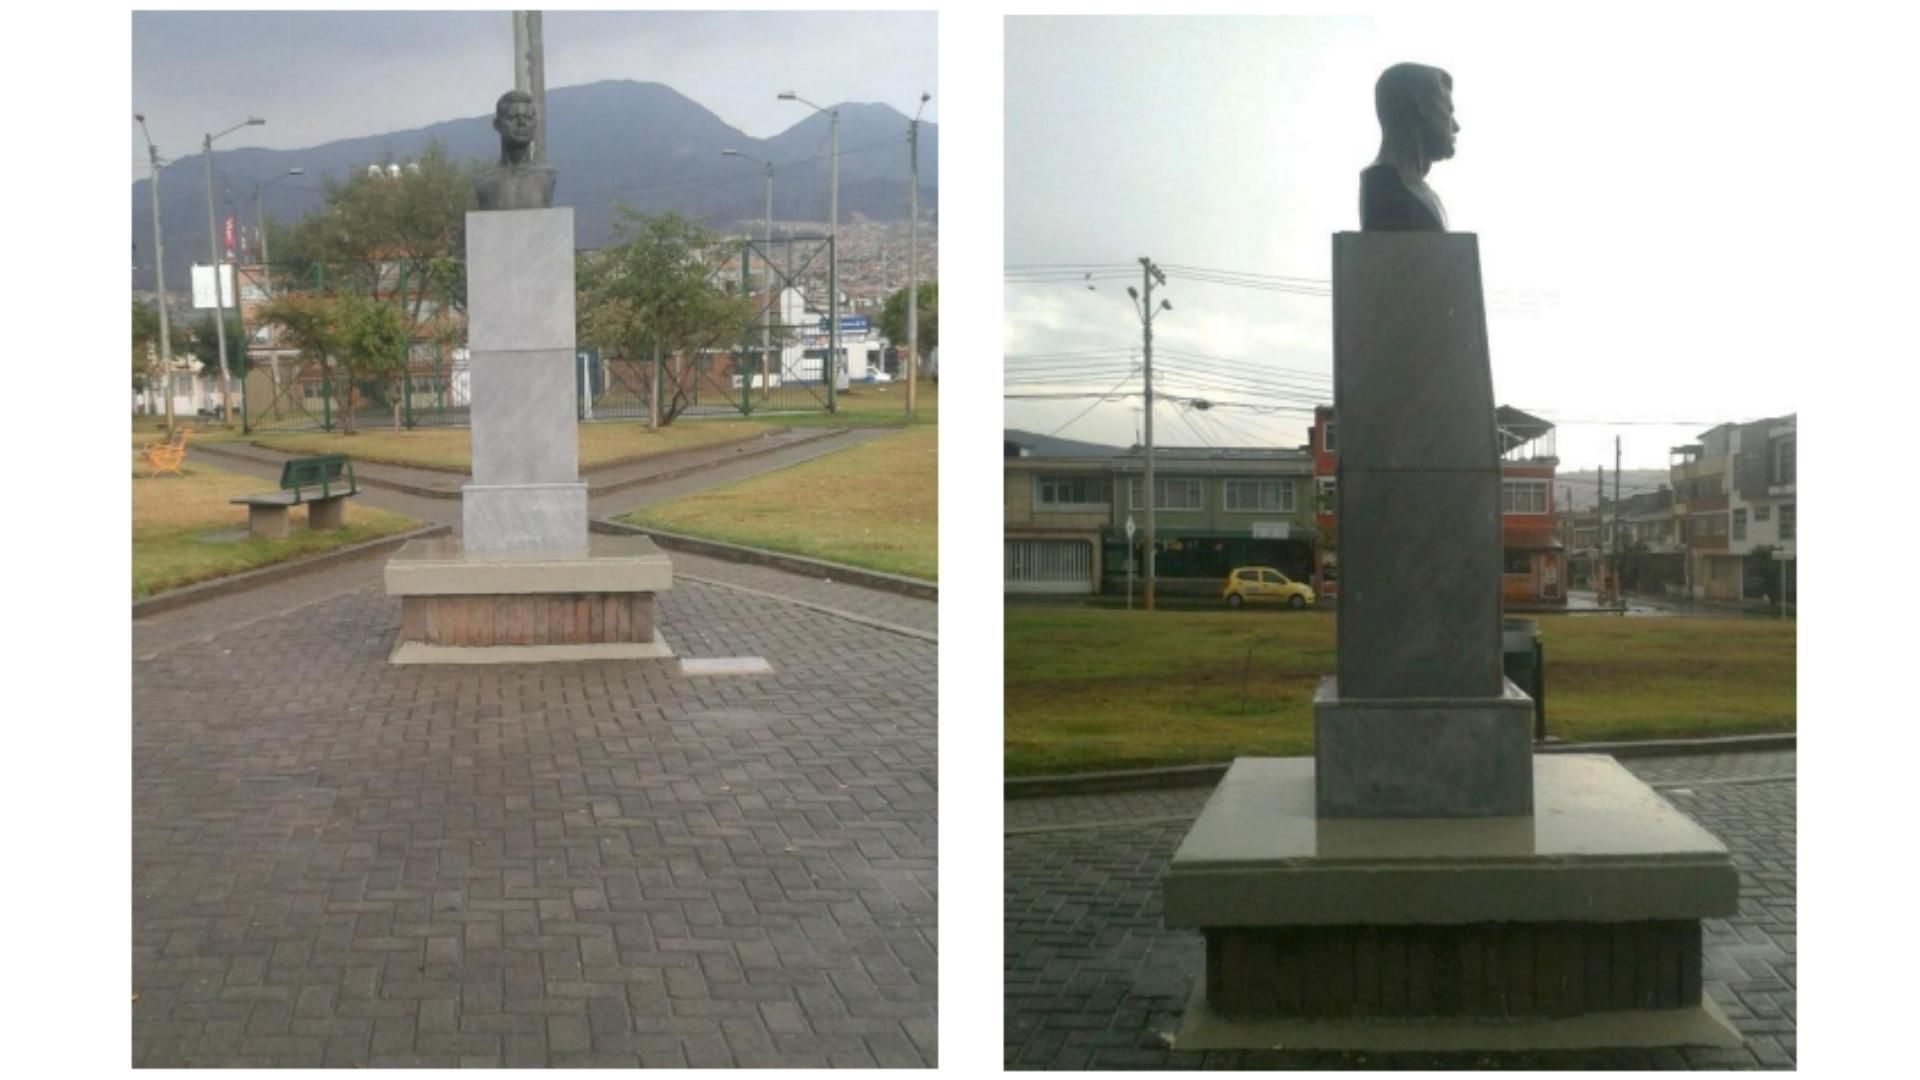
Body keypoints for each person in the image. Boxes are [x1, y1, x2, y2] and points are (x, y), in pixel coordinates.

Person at [1359, 63, 1459, 231]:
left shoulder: (1424, 193)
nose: (1455, 126)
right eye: (1448, 111)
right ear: (1423, 106)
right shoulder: (1384, 187)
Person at [474, 90, 556, 211]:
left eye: (527, 118)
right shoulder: (483, 183)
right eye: (512, 118)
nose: (522, 123)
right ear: (497, 124)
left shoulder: (548, 177)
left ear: (534, 124)